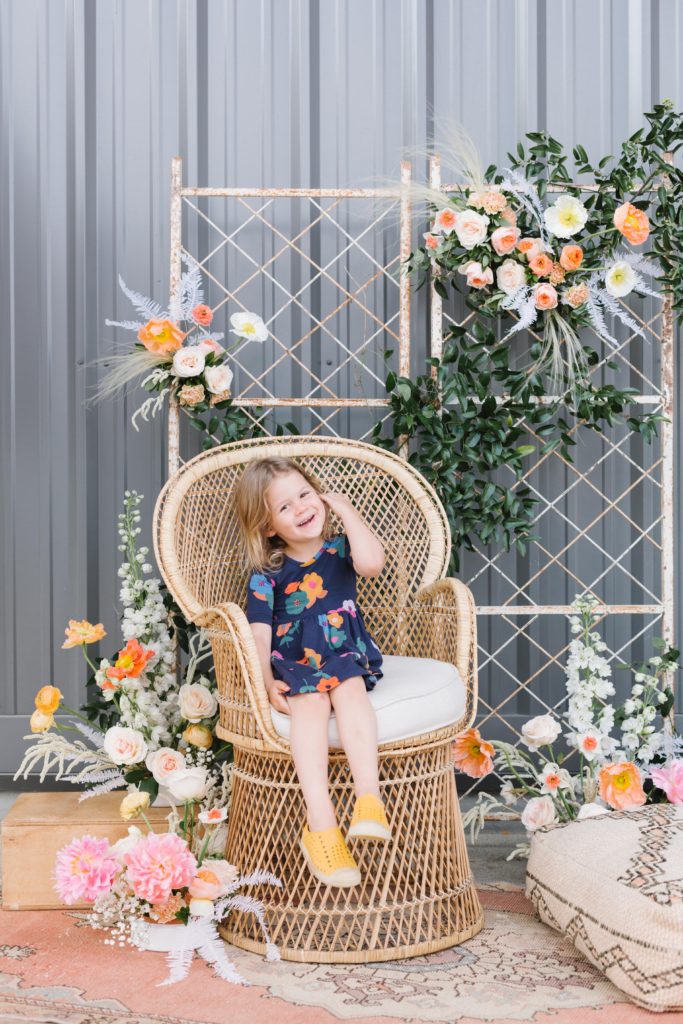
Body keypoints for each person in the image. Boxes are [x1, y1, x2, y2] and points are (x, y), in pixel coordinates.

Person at [234, 456, 391, 887]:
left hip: (343, 649)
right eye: (284, 507)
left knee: (350, 691)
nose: (301, 507)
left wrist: (347, 511)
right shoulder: (268, 571)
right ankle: (321, 825)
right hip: (295, 658)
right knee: (310, 704)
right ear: (268, 527)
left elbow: (372, 564)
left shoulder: (340, 549)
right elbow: (259, 632)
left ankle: (368, 800)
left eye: (305, 494)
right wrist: (265, 679)